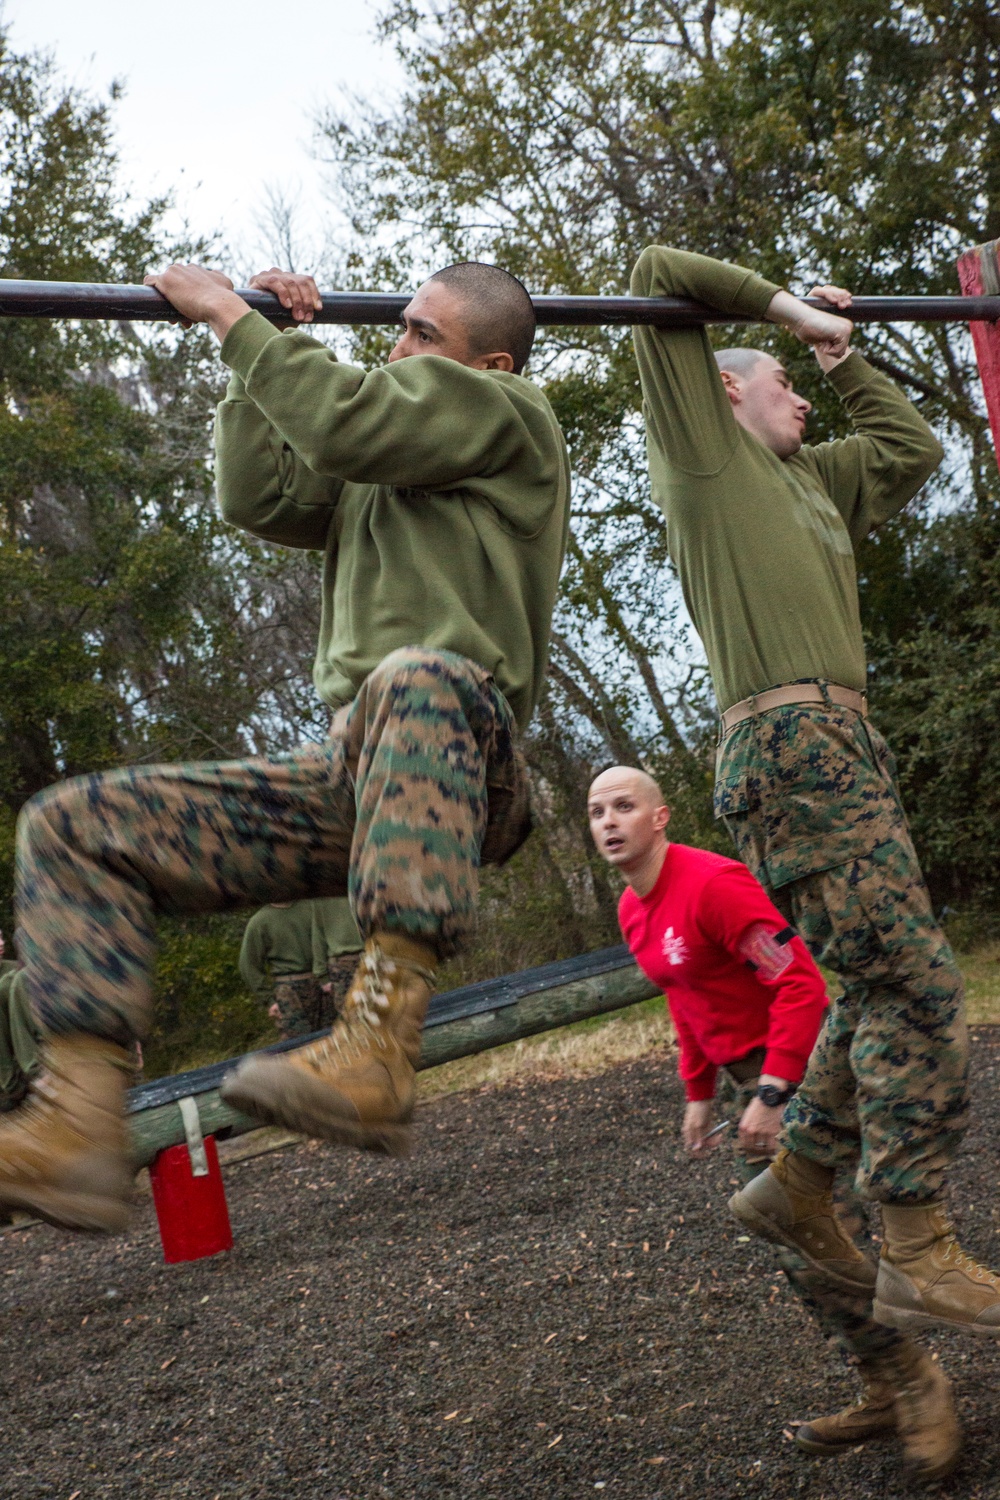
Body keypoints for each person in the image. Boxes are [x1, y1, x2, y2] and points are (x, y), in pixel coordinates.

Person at [1, 257, 569, 1237]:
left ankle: (378, 1041)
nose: (395, 348)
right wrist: (264, 341)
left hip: (468, 759)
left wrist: (231, 316)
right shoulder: (381, 471)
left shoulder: (514, 421)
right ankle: (79, 1119)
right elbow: (260, 497)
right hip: (354, 771)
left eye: (418, 334)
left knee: (414, 674)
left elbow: (347, 418)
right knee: (71, 827)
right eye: (395, 332)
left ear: (495, 364)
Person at [629, 244, 987, 1474]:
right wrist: (780, 307)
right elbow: (650, 264)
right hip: (785, 741)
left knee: (880, 988)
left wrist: (838, 357)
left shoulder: (813, 476)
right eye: (777, 377)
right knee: (926, 989)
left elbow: (914, 453)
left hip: (844, 741)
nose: (789, 394)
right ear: (726, 392)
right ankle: (914, 1236)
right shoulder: (706, 457)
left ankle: (800, 1182)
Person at [588, 764, 960, 1475]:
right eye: (598, 810)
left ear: (659, 817)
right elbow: (686, 993)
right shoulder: (634, 909)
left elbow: (800, 982)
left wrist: (775, 1089)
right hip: (747, 1084)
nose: (609, 821)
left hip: (799, 1073)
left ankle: (919, 1382)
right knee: (794, 1246)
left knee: (826, 1239)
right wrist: (699, 1089)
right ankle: (883, 1385)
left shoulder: (712, 885)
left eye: (625, 806)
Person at [239, 900, 323, 1040]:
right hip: (288, 991)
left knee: (329, 1041)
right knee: (297, 1045)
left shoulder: (311, 909)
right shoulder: (260, 921)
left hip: (320, 983)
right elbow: (248, 965)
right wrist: (268, 999)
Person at [310, 897, 364, 1022]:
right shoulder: (321, 896)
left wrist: (321, 973)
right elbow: (318, 932)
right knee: (350, 1017)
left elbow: (318, 933)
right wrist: (322, 974)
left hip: (368, 956)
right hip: (343, 964)